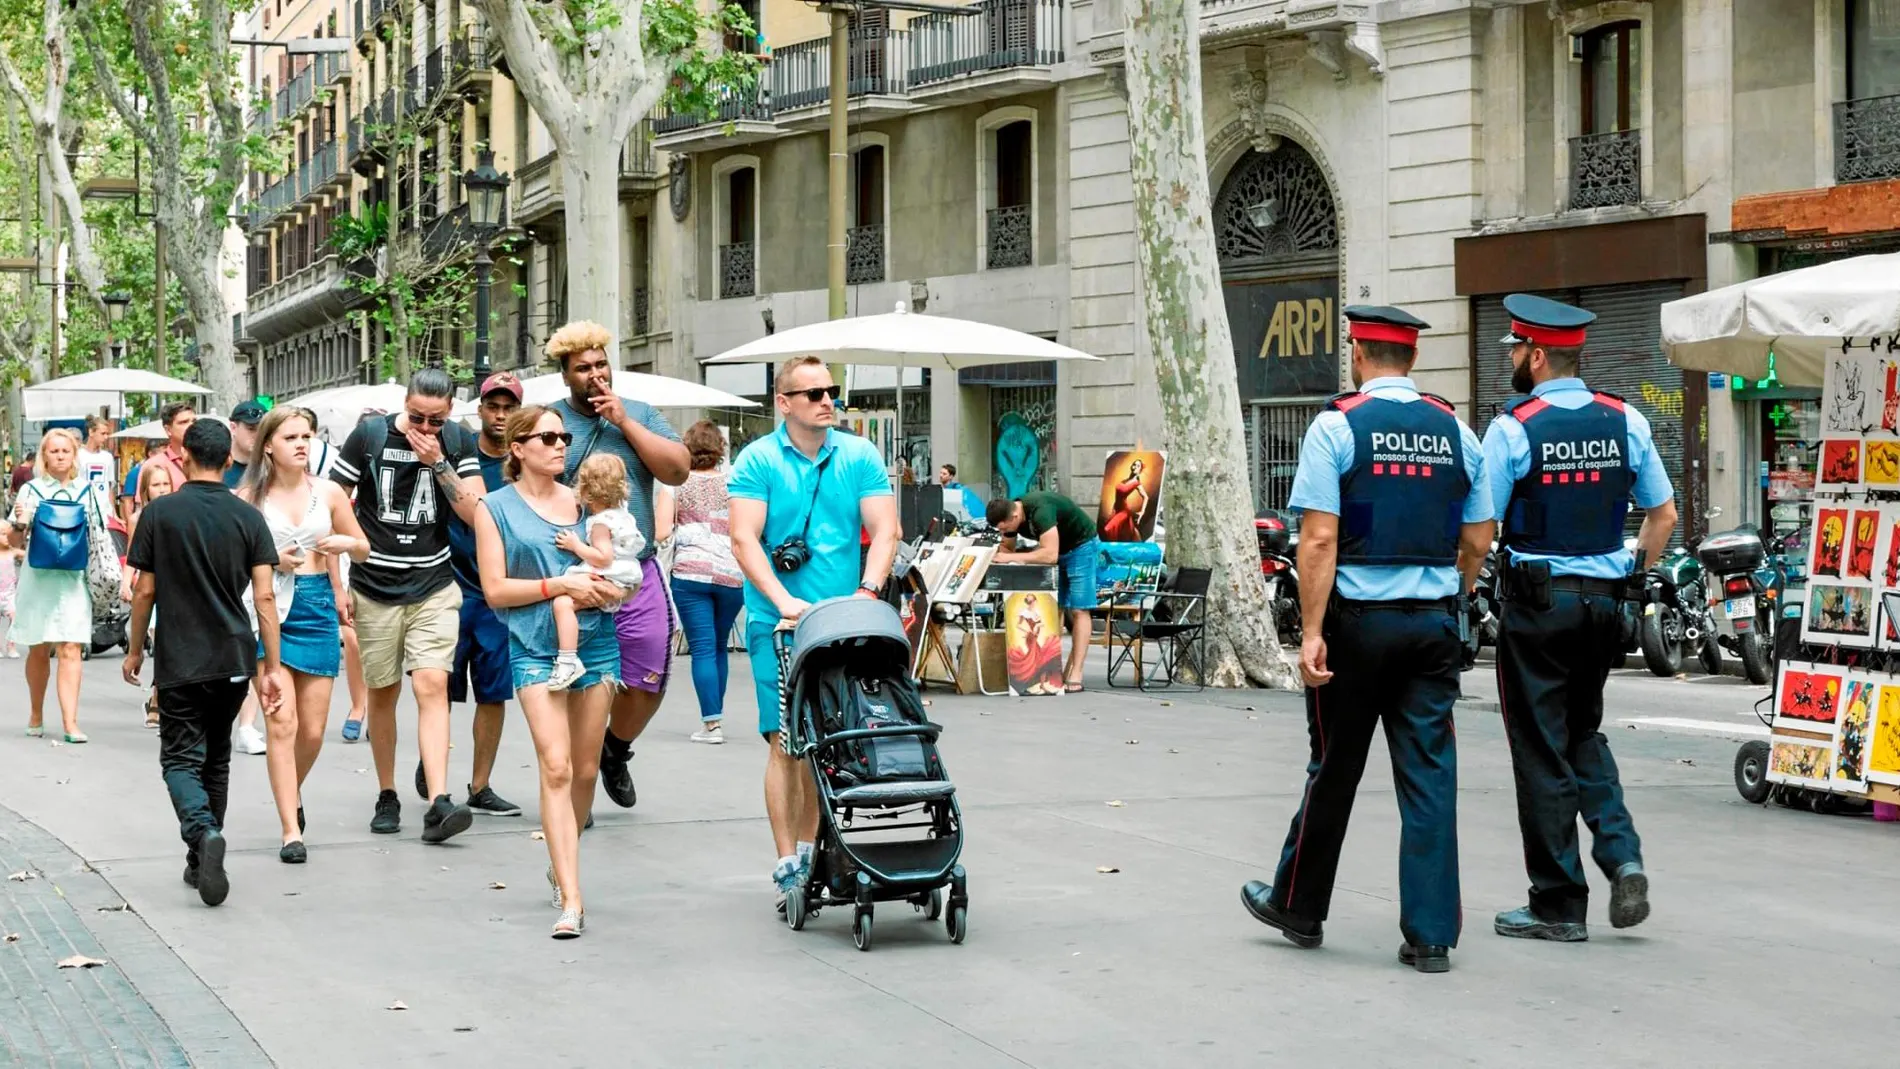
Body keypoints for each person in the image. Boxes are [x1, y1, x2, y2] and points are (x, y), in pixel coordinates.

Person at [1237, 306, 1494, 975]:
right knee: (1430, 774)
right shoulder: (1456, 430)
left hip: (1357, 627)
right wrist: (1455, 592)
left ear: (1358, 351)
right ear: (1410, 359)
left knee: (1335, 766)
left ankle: (1300, 904)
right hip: (1433, 624)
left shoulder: (1337, 426)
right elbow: (1478, 537)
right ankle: (1431, 935)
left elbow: (1319, 537)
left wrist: (1313, 631)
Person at [1481, 293, 1676, 942]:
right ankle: (1622, 854)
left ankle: (1558, 902)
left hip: (1538, 606)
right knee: (1583, 731)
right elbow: (1663, 515)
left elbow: (1481, 527)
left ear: (1537, 355)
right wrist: (1632, 573)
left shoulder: (1514, 427)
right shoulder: (1626, 420)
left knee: (1540, 746)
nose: (1511, 359)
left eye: (1515, 350)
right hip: (1604, 603)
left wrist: (1461, 587)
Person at [729, 355, 900, 908]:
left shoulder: (859, 454)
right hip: (774, 622)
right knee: (787, 743)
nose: (828, 401)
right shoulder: (757, 460)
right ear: (784, 403)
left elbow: (885, 528)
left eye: (832, 391)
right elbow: (744, 539)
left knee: (831, 740)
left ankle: (813, 851)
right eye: (814, 394)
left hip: (844, 623)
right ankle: (787, 863)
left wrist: (868, 592)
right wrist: (784, 602)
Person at [474, 405, 628, 937]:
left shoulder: (588, 502)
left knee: (585, 770)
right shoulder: (492, 508)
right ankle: (573, 896)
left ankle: (563, 860)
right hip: (534, 650)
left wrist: (607, 588)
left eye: (563, 436)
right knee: (557, 767)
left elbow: (619, 568)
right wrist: (558, 586)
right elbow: (495, 591)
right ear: (517, 448)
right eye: (548, 437)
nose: (561, 444)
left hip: (599, 648)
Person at [122, 418, 284, 908]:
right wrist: (270, 666)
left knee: (178, 758)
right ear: (229, 461)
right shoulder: (248, 517)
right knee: (216, 759)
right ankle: (200, 857)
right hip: (234, 654)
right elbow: (265, 598)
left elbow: (144, 589)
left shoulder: (160, 514)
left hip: (181, 656)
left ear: (184, 457)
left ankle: (201, 832)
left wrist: (134, 649)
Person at [329, 368, 487, 842]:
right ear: (405, 403)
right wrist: (340, 576)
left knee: (433, 685)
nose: (424, 428)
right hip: (374, 584)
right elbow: (334, 500)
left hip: (434, 583)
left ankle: (439, 800)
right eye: (416, 417)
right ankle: (387, 792)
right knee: (383, 692)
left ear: (450, 413)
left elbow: (475, 512)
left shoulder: (457, 440)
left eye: (435, 420)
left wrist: (440, 463)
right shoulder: (370, 435)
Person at [542, 322, 689, 812]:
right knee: (572, 678)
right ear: (566, 376)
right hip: (576, 572)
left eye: (601, 364)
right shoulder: (551, 421)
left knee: (650, 676)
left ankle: (614, 749)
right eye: (583, 368)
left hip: (636, 573)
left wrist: (625, 422)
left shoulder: (641, 414)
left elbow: (678, 469)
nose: (595, 374)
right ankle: (572, 796)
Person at [239, 407, 371, 864]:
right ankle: (290, 830)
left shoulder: (330, 492)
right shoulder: (248, 497)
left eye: (307, 435)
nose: (302, 443)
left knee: (313, 732)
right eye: (291, 436)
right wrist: (270, 558)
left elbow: (364, 546)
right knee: (282, 723)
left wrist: (345, 545)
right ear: (269, 446)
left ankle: (290, 791)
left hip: (315, 604)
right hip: (270, 605)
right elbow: (232, 560)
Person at [426, 372, 526, 817]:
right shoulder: (459, 452)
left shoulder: (526, 464)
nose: (500, 415)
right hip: (448, 584)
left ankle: (480, 785)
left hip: (497, 593)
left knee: (493, 692)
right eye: (493, 407)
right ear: (480, 409)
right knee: (438, 688)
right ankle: (434, 766)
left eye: (509, 408)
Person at [656, 420, 746, 744]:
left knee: (703, 649)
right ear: (719, 448)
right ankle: (714, 716)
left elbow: (661, 531)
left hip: (690, 574)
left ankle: (712, 724)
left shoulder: (675, 484)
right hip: (731, 574)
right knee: (719, 645)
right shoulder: (735, 482)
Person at [8, 429, 97, 742]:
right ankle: (35, 711)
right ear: (44, 456)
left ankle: (70, 722)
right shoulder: (30, 491)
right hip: (39, 578)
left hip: (74, 581)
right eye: (54, 451)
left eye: (65, 451)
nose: (60, 456)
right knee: (39, 647)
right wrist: (21, 522)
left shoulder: (88, 491)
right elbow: (14, 540)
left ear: (74, 455)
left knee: (71, 647)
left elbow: (99, 536)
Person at [986, 489, 1100, 693]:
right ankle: (1055, 670)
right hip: (1061, 549)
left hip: (1081, 547)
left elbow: (1049, 555)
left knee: (1079, 610)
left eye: (1005, 528)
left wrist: (1013, 558)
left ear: (1014, 516)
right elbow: (1008, 550)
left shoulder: (1040, 511)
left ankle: (1077, 673)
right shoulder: (1011, 518)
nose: (1005, 533)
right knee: (1055, 607)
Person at [550, 454, 646, 690]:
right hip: (625, 577)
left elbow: (603, 557)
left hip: (607, 574)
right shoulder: (623, 512)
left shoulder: (601, 522)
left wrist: (576, 546)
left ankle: (567, 659)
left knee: (562, 604)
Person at [123, 462, 178, 729]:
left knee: (169, 645)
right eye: (156, 485)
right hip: (148, 585)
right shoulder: (138, 518)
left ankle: (159, 697)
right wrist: (125, 583)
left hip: (174, 586)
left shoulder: (181, 514)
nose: (162, 489)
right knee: (160, 641)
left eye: (166, 484)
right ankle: (158, 697)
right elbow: (134, 554)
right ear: (145, 490)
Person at [148, 402, 197, 492]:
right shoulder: (154, 464)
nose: (191, 426)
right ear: (168, 430)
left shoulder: (207, 460)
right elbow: (144, 503)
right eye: (184, 422)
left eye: (194, 421)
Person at [1099, 458, 1151, 542]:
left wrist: (1142, 512)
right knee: (1121, 535)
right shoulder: (1125, 481)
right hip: (1117, 510)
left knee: (1108, 529)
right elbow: (1117, 497)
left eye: (1138, 466)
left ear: (1140, 470)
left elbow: (1146, 497)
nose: (1135, 467)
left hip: (1124, 511)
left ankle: (1112, 550)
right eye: (1134, 464)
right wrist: (1113, 510)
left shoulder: (1136, 483)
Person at [77, 415, 119, 516]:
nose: (106, 437)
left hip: (104, 512)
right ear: (91, 432)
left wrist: (114, 513)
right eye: (103, 433)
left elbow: (110, 488)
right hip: (84, 510)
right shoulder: (78, 455)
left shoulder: (108, 457)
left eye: (107, 434)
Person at [223, 400, 268, 489]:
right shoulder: (216, 466)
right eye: (251, 429)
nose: (258, 435)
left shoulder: (271, 468)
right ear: (233, 428)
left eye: (262, 430)